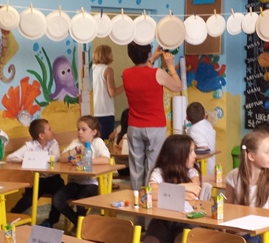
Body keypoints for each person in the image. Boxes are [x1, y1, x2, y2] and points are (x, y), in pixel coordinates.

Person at [122, 43, 182, 191]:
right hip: (155, 125)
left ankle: (137, 200)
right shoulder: (158, 73)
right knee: (153, 165)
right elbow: (177, 87)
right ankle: (149, 200)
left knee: (136, 167)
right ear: (148, 53)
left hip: (134, 126)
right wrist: (170, 66)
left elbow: (142, 72)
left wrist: (152, 58)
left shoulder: (126, 73)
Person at [138, 135, 201, 243]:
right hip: (162, 220)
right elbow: (148, 193)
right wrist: (183, 188)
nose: (195, 155)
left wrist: (164, 192)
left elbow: (193, 193)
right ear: (178, 154)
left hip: (186, 221)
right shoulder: (159, 172)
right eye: (191, 151)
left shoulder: (192, 172)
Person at [52, 115, 110, 227]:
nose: (80, 132)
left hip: (92, 183)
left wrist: (85, 161)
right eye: (78, 129)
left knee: (81, 201)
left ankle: (80, 227)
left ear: (94, 132)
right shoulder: (76, 142)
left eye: (83, 129)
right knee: (57, 200)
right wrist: (76, 150)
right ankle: (80, 224)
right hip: (75, 182)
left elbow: (106, 159)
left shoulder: (97, 142)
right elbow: (62, 158)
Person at [7, 118, 65, 227]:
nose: (52, 131)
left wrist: (36, 158)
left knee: (58, 198)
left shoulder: (53, 143)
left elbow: (56, 157)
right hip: (37, 179)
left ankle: (50, 221)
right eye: (49, 129)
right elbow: (11, 157)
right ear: (41, 136)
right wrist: (26, 159)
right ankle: (10, 216)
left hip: (54, 179)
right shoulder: (30, 146)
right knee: (28, 199)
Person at [92, 44, 124, 140]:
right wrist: (126, 85)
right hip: (106, 112)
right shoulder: (108, 70)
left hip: (93, 111)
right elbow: (112, 92)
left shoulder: (92, 69)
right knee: (106, 142)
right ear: (106, 55)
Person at [186, 101, 216, 173]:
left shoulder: (194, 130)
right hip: (210, 164)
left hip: (201, 167)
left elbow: (204, 148)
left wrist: (188, 150)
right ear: (204, 116)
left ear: (187, 118)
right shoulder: (208, 125)